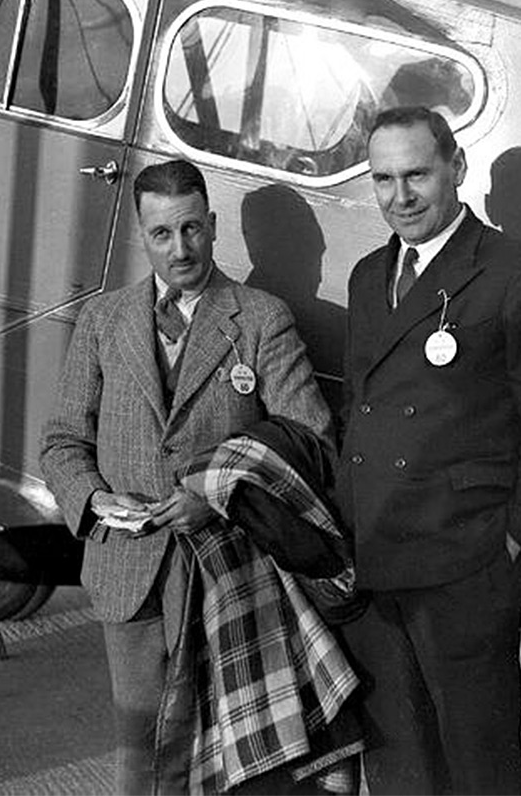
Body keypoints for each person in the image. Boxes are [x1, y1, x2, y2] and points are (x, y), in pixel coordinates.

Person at [39, 159, 333, 795]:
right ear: (141, 238)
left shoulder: (260, 319)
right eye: (163, 234)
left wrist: (217, 495)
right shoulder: (104, 320)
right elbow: (62, 441)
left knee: (233, 751)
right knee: (140, 754)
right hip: (129, 573)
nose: (181, 249)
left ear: (214, 227)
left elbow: (309, 441)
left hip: (229, 573)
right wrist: (92, 499)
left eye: (193, 229)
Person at [337, 106, 521, 794]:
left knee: (479, 763)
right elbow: (359, 407)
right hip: (377, 554)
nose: (400, 197)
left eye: (416, 174)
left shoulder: (516, 272)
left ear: (457, 170)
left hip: (464, 564)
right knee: (400, 765)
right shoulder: (365, 276)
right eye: (383, 179)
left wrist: (508, 539)